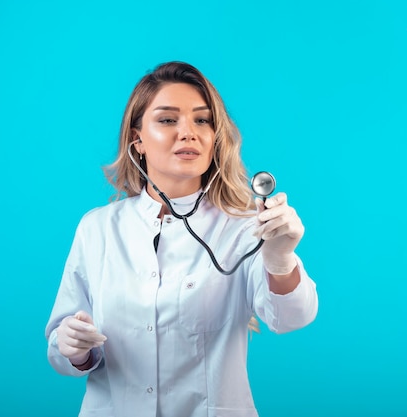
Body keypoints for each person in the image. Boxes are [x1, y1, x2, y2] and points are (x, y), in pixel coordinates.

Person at [45, 61, 318, 417]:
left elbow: (291, 318)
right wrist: (73, 347)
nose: (188, 132)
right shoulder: (97, 228)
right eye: (168, 119)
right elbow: (61, 350)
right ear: (137, 139)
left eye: (202, 120)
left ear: (215, 136)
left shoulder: (245, 227)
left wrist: (280, 259)